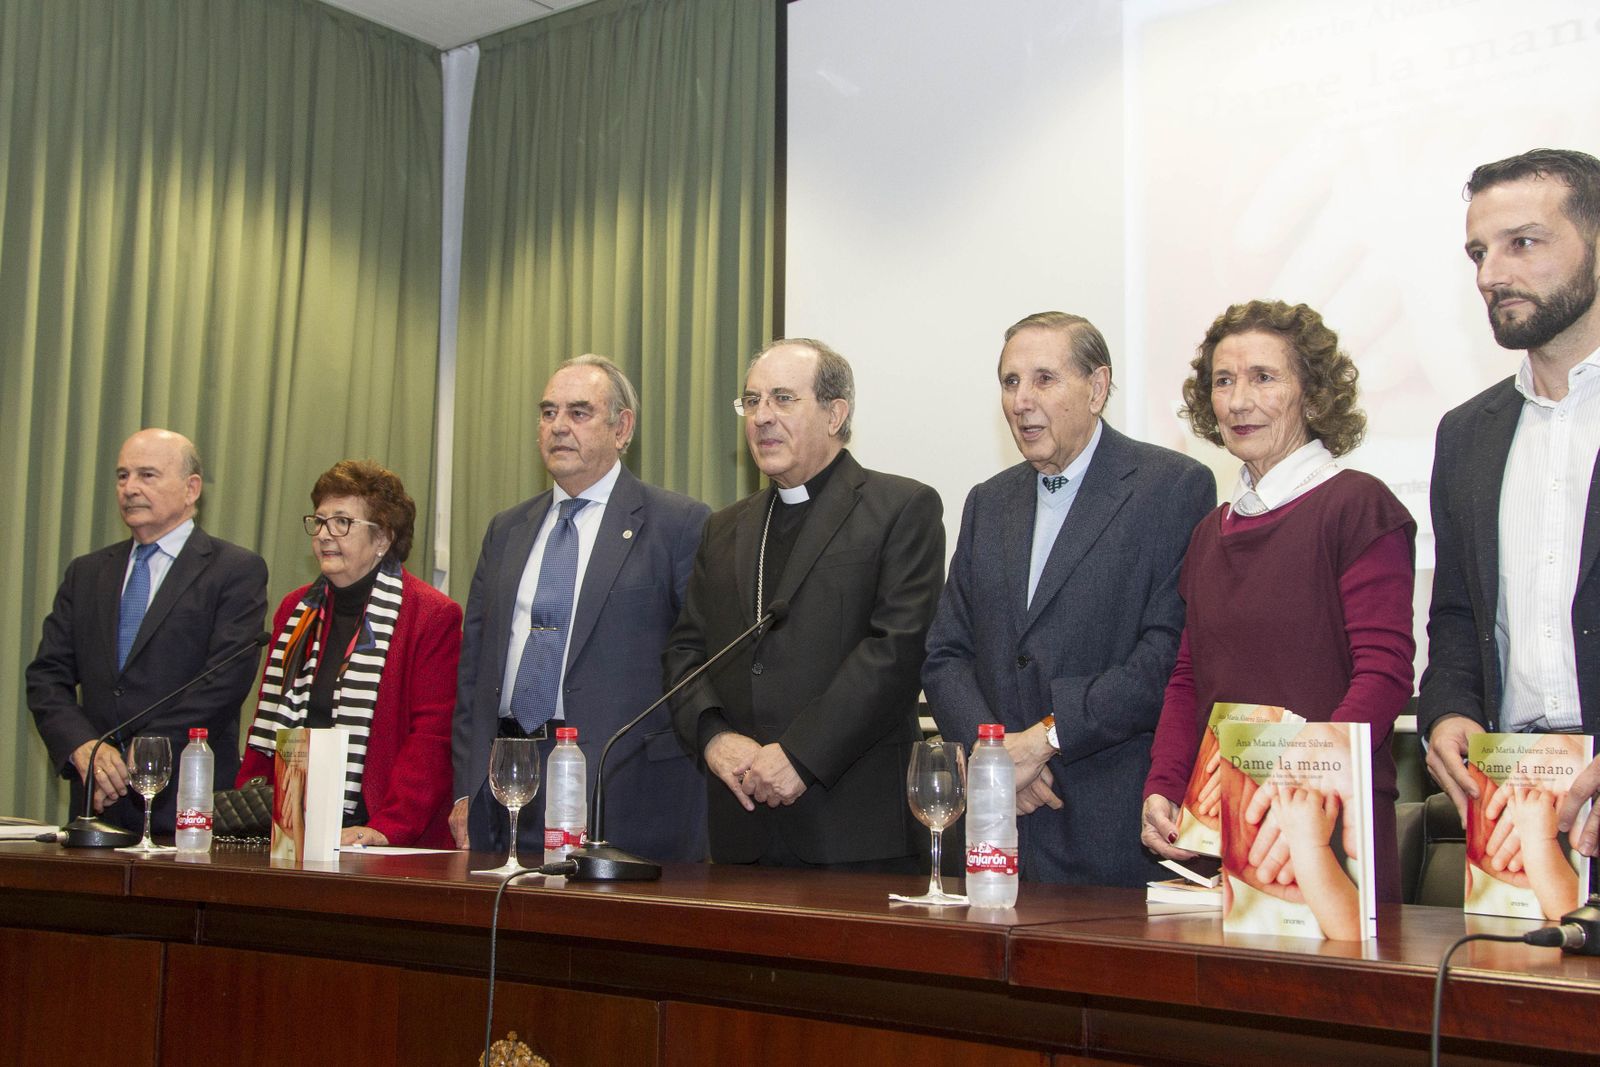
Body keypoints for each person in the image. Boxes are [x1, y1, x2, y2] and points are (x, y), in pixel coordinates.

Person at [923, 312, 1214, 886]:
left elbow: (1166, 654)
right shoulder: (989, 501)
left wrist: (1047, 738)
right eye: (1009, 382)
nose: (1021, 401)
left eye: (1043, 379)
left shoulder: (1171, 486)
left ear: (1098, 388)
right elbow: (945, 651)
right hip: (998, 829)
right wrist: (996, 761)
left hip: (1111, 828)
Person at [1141, 300, 1416, 903]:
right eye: (1223, 380)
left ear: (1313, 395)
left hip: (1328, 826)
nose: (1239, 400)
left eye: (1263, 378)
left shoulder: (1357, 506)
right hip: (1223, 829)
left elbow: (1385, 673)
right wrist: (1164, 784)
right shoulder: (1210, 531)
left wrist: (1303, 779)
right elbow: (1189, 678)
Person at [665, 338, 944, 871]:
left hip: (853, 829)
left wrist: (800, 755)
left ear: (836, 413)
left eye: (783, 399)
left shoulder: (901, 508)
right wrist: (714, 737)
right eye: (751, 402)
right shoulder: (723, 528)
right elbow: (686, 651)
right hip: (740, 828)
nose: (762, 417)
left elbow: (896, 652)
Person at [1415, 149, 1600, 860]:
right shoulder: (1467, 433)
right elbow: (1459, 615)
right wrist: (1448, 711)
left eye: (1523, 243)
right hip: (1513, 800)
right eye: (1478, 252)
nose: (1491, 274)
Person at [452, 355, 710, 861]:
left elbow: (696, 661)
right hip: (508, 789)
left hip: (627, 795)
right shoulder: (506, 529)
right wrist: (466, 787)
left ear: (622, 427)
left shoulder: (678, 524)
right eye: (548, 413)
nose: (558, 427)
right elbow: (474, 670)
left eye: (579, 412)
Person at [27, 428, 269, 835]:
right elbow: (46, 676)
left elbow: (222, 684)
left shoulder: (233, 570)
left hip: (187, 807)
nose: (130, 488)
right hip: (96, 805)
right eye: (123, 476)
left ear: (191, 488)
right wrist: (83, 747)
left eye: (147, 475)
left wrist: (129, 758)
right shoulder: (86, 573)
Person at [239, 460, 460, 848]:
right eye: (320, 521)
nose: (325, 534)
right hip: (293, 826)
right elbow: (268, 720)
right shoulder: (296, 612)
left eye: (342, 522)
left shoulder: (430, 615)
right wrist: (248, 811)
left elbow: (431, 739)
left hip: (379, 828)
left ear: (383, 539)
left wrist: (386, 828)